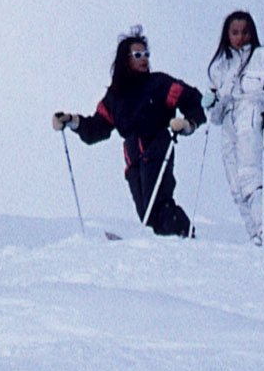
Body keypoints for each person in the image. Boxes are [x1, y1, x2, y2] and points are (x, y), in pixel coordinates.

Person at [54, 26, 206, 235]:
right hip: (133, 152)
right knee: (145, 212)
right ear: (125, 59)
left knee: (159, 202)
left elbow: (193, 100)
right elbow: (96, 128)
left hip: (157, 143)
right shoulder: (116, 96)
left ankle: (183, 237)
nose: (144, 59)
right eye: (138, 55)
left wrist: (188, 123)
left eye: (146, 54)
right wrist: (72, 121)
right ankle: (171, 244)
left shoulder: (159, 83)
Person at [206, 9, 264, 247]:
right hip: (228, 122)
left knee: (249, 175)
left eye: (245, 32)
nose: (240, 37)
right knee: (235, 183)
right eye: (234, 32)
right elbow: (214, 114)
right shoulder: (221, 66)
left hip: (251, 114)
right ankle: (255, 232)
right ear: (227, 35)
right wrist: (211, 103)